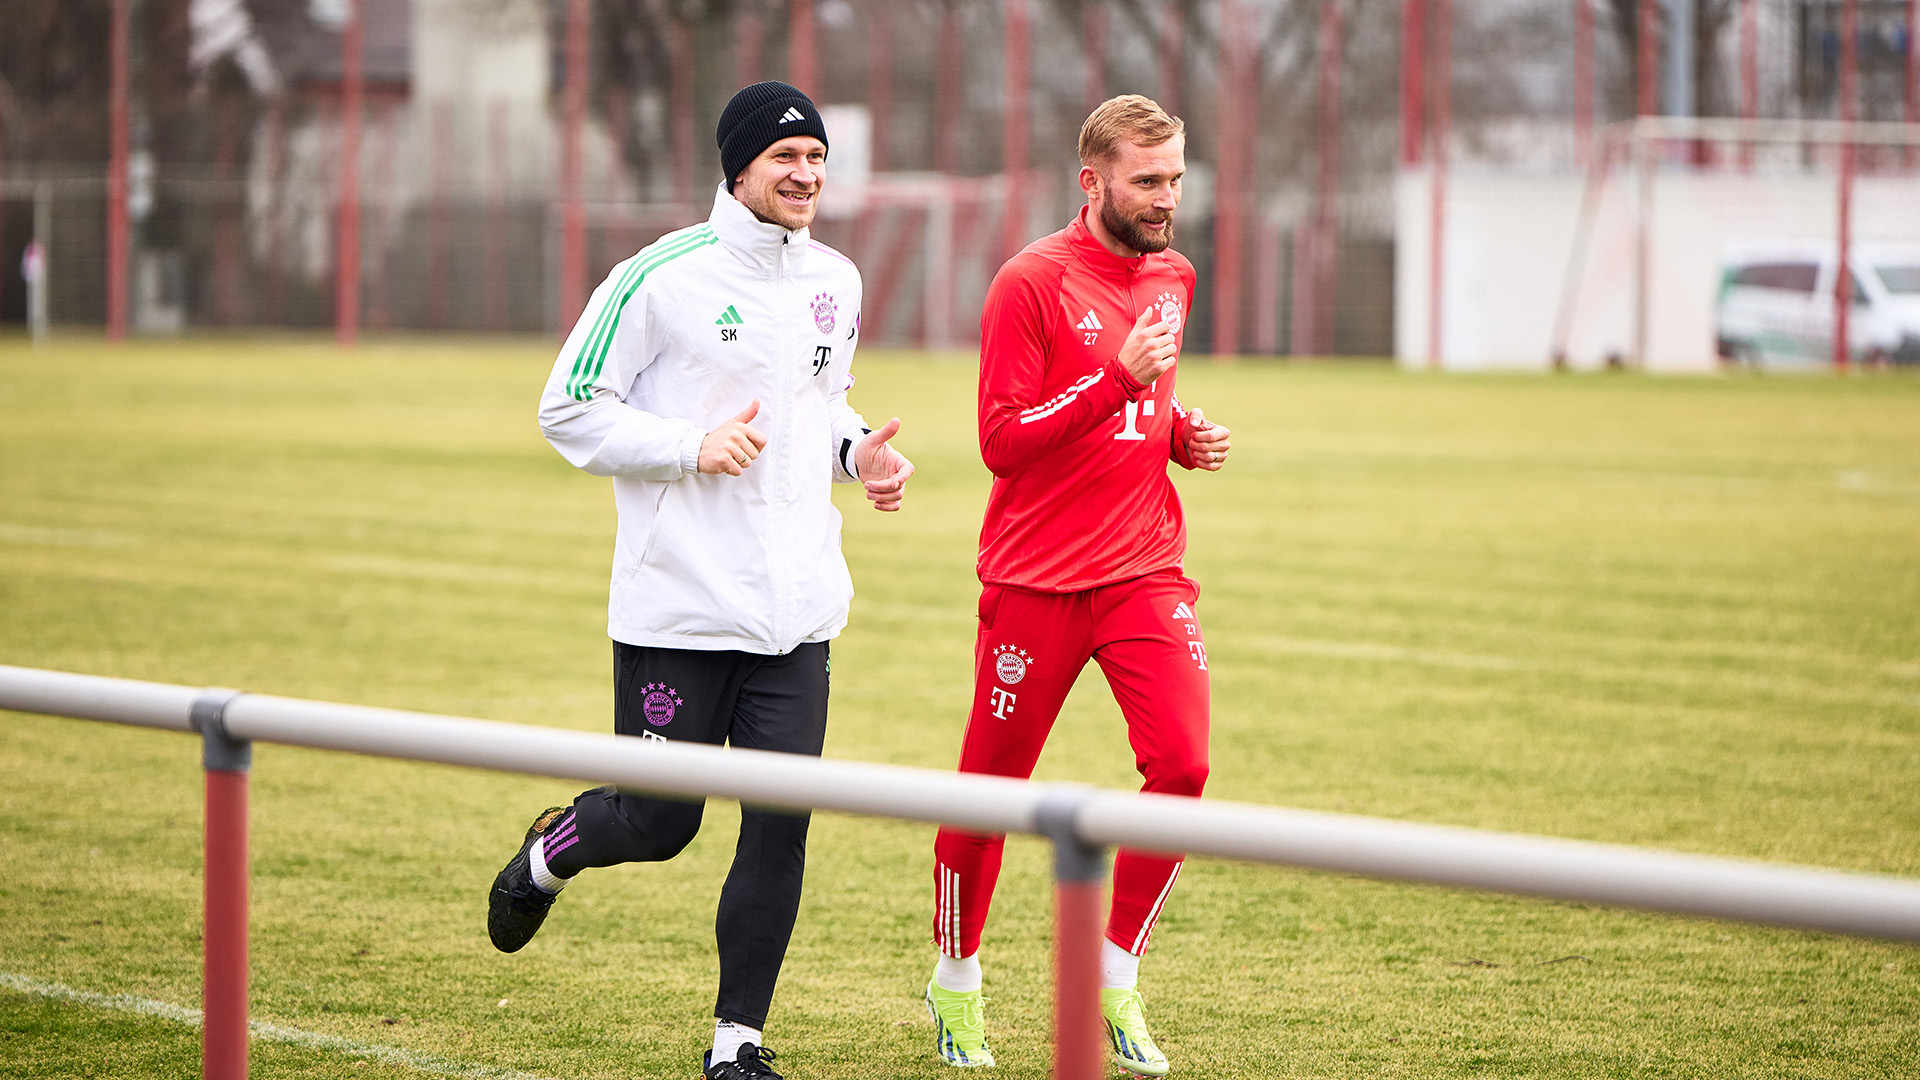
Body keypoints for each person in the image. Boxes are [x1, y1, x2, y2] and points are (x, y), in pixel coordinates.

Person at [491, 80, 913, 1080]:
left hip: (797, 618)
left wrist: (860, 457)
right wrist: (689, 445)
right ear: (738, 169)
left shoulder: (837, 282)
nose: (807, 174)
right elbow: (568, 409)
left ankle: (737, 1044)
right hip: (679, 609)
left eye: (815, 157)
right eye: (785, 158)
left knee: (779, 826)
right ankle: (550, 854)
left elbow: (823, 409)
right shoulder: (658, 276)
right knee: (659, 820)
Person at [922, 94, 1230, 1077]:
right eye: (1147, 181)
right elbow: (1001, 442)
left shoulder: (1174, 274)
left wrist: (1181, 434)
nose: (1166, 199)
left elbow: (1146, 401)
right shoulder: (1030, 282)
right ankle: (956, 982)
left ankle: (1115, 973)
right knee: (989, 794)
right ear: (1091, 180)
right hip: (1036, 581)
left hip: (1145, 570)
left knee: (1182, 766)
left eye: (1176, 178)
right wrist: (1116, 383)